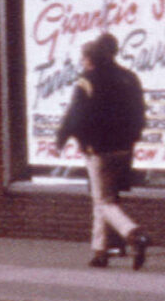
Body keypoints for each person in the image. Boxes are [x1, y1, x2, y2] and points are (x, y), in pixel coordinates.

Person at [55, 31, 150, 268]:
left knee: (104, 202)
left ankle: (134, 234)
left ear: (92, 58)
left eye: (84, 57)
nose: (82, 61)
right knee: (102, 198)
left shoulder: (88, 79)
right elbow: (140, 113)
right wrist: (132, 138)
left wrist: (63, 136)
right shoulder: (129, 78)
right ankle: (100, 251)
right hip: (123, 148)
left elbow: (76, 114)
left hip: (98, 149)